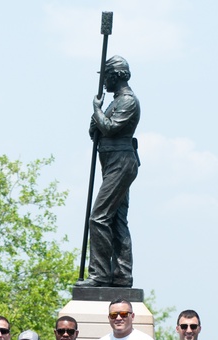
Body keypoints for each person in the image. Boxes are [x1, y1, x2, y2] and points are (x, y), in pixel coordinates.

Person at [76, 55, 140, 288]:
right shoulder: (115, 102)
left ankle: (100, 275)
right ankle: (122, 275)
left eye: (105, 76)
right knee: (115, 219)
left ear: (116, 75)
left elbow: (111, 128)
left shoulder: (128, 101)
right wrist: (97, 118)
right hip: (112, 161)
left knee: (99, 217)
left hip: (121, 162)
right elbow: (98, 131)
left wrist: (96, 110)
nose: (103, 81)